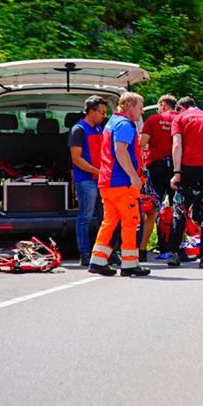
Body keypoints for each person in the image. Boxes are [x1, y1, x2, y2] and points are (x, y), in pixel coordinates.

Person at [87, 92, 149, 277]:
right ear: (129, 105)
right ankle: (130, 264)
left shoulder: (111, 123)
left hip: (107, 182)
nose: (141, 111)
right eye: (139, 107)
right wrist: (133, 176)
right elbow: (120, 150)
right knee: (131, 221)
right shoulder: (125, 124)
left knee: (110, 221)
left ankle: (97, 261)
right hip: (121, 182)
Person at [168, 97, 203, 269]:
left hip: (188, 168)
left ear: (181, 108)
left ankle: (174, 253)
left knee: (180, 210)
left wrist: (176, 172)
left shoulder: (180, 118)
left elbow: (177, 145)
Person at [69, 95, 108, 266]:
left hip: (101, 179)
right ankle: (84, 253)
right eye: (101, 112)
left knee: (105, 217)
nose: (103, 116)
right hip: (87, 180)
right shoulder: (79, 130)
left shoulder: (99, 129)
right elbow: (76, 158)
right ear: (91, 112)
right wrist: (97, 172)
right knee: (85, 216)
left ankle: (104, 252)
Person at [140, 94, 177, 257]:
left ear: (162, 105)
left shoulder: (153, 120)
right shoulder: (181, 119)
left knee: (152, 209)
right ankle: (174, 247)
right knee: (178, 209)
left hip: (156, 167)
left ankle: (141, 249)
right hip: (176, 168)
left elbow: (141, 143)